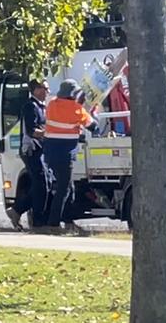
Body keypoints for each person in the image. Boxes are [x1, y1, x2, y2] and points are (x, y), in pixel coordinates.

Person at [43, 79, 98, 228]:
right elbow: (94, 127)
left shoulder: (51, 104)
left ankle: (68, 220)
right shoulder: (77, 109)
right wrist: (92, 111)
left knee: (68, 186)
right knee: (64, 188)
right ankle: (53, 223)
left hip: (49, 152)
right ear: (73, 94)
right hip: (64, 154)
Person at [5, 80, 50, 230]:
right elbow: (32, 131)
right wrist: (49, 133)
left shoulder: (41, 107)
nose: (47, 92)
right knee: (41, 184)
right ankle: (37, 222)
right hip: (31, 150)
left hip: (40, 150)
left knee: (43, 184)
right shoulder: (30, 107)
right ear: (36, 90)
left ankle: (17, 210)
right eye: (45, 88)